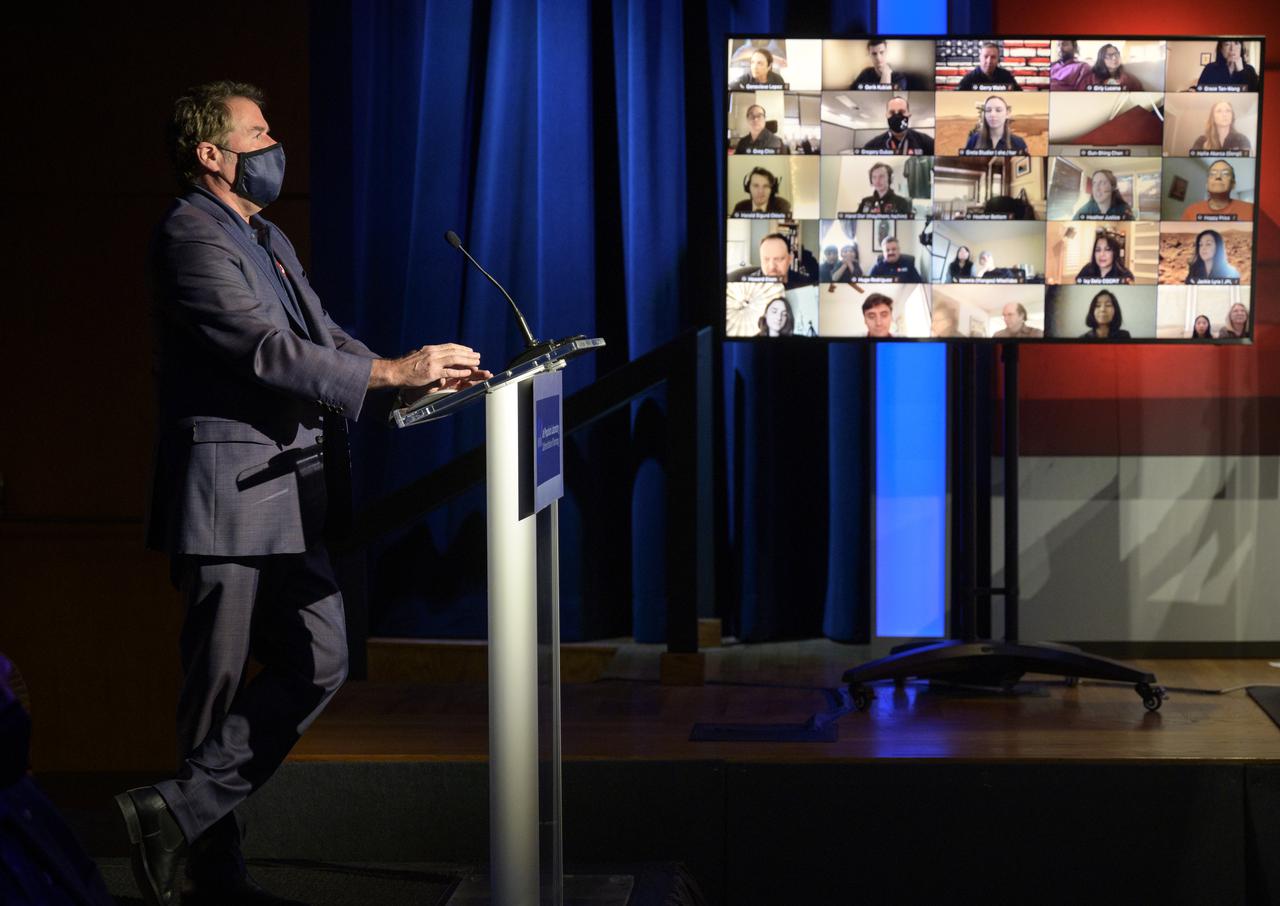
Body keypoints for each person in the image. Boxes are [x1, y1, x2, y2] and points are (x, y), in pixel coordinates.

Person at [116, 81, 492, 906]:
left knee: (322, 656)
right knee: (212, 690)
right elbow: (260, 349)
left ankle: (171, 812)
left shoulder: (269, 234)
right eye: (258, 133)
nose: (274, 144)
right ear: (210, 154)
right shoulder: (189, 236)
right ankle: (213, 874)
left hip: (289, 493)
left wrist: (413, 375)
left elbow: (320, 337)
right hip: (227, 492)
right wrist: (389, 374)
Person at [1181, 160, 1254, 221]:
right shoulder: (1191, 211)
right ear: (1207, 185)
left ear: (1233, 184)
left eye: (1225, 174)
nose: (1218, 176)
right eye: (1212, 174)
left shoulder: (1250, 210)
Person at [862, 96, 935, 155]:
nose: (897, 116)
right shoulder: (872, 145)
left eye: (901, 112)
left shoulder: (926, 142)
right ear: (886, 115)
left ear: (909, 115)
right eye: (892, 112)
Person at [742, 233, 816, 287]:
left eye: (778, 259)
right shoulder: (748, 284)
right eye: (766, 259)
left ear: (790, 259)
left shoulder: (805, 284)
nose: (772, 267)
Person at [963, 96, 1028, 153]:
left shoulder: (1019, 143)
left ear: (1007, 114)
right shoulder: (974, 139)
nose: (992, 114)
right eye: (988, 110)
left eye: (998, 110)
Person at [957, 43, 1022, 91]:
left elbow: (1019, 95)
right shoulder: (969, 79)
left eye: (993, 57)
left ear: (998, 59)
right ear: (980, 58)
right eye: (985, 57)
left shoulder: (1006, 76)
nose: (989, 61)